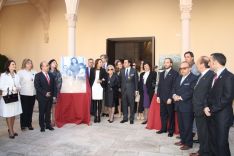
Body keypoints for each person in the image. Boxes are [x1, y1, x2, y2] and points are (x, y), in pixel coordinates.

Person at [206, 53, 234, 156]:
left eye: (210, 61)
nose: (208, 63)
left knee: (221, 143)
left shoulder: (229, 77)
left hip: (222, 117)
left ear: (216, 62)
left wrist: (211, 109)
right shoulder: (214, 76)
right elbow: (209, 94)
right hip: (211, 115)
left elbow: (227, 98)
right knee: (213, 141)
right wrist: (206, 107)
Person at [189, 56, 215, 156]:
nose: (196, 65)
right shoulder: (202, 75)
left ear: (202, 64)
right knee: (202, 132)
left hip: (203, 109)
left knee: (204, 133)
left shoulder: (210, 75)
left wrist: (205, 106)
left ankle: (204, 152)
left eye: (197, 63)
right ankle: (203, 150)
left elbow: (208, 93)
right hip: (198, 108)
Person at [173, 61, 197, 150]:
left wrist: (180, 97)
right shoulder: (179, 77)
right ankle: (183, 140)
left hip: (187, 106)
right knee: (181, 125)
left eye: (184, 68)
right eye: (181, 68)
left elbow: (191, 91)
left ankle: (188, 143)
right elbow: (174, 88)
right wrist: (174, 95)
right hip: (178, 106)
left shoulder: (194, 78)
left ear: (190, 68)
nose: (182, 70)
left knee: (187, 126)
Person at [156, 58, 179, 137]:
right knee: (163, 114)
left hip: (169, 98)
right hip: (162, 97)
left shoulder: (175, 73)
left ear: (171, 64)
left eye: (167, 62)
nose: (166, 64)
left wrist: (170, 97)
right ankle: (163, 128)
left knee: (171, 115)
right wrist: (158, 96)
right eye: (165, 62)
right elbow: (159, 85)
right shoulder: (161, 73)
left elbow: (174, 87)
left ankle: (171, 131)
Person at [0, 60, 22, 139]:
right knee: (9, 114)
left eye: (15, 64)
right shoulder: (4, 75)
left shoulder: (17, 75)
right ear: (8, 66)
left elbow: (19, 85)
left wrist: (17, 88)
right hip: (8, 97)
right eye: (13, 64)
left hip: (15, 96)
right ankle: (11, 131)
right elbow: (1, 86)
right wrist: (11, 88)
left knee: (13, 114)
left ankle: (11, 129)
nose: (14, 65)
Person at [34, 61, 56, 132]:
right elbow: (37, 86)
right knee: (42, 112)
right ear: (42, 67)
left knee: (48, 112)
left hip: (50, 97)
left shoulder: (51, 75)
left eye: (48, 65)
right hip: (42, 97)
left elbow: (54, 86)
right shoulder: (38, 75)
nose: (48, 67)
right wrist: (45, 93)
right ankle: (42, 126)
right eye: (46, 65)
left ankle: (48, 125)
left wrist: (54, 96)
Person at [184, 51, 200, 143]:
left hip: (194, 96)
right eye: (185, 57)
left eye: (188, 57)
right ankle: (188, 134)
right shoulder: (186, 67)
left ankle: (194, 135)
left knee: (194, 117)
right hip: (187, 97)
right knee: (189, 117)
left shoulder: (196, 68)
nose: (186, 58)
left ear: (192, 57)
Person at [17, 59, 36, 131]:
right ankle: (23, 125)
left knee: (30, 110)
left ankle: (29, 124)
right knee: (24, 110)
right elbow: (17, 83)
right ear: (24, 64)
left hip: (33, 93)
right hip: (24, 93)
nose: (30, 65)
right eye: (28, 63)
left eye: (31, 63)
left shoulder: (34, 72)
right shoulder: (20, 72)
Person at [119, 59, 138, 124]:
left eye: (125, 62)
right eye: (124, 62)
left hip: (131, 90)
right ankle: (125, 118)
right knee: (124, 104)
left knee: (132, 104)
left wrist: (136, 90)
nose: (124, 64)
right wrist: (119, 88)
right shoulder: (121, 70)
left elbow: (136, 81)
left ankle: (131, 118)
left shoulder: (134, 70)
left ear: (129, 63)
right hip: (123, 90)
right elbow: (120, 80)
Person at [89, 59, 107, 123]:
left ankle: (98, 116)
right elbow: (90, 79)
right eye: (100, 62)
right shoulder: (92, 69)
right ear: (97, 63)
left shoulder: (103, 70)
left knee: (99, 102)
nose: (101, 63)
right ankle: (95, 116)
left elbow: (105, 78)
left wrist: (101, 80)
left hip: (100, 87)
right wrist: (90, 86)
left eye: (101, 62)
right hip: (94, 87)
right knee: (94, 102)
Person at [48, 59, 62, 127]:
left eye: (56, 63)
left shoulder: (58, 72)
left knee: (53, 107)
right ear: (50, 64)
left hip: (54, 92)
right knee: (47, 107)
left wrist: (56, 92)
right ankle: (47, 121)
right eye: (53, 63)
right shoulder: (47, 72)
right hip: (47, 92)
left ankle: (53, 121)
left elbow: (59, 83)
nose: (55, 64)